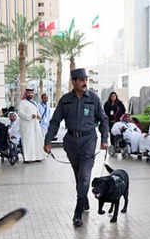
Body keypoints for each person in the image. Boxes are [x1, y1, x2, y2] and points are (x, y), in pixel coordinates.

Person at [44, 68, 109, 227]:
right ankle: (84, 199)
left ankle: (78, 212)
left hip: (88, 140)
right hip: (71, 143)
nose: (84, 82)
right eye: (81, 80)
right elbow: (55, 121)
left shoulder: (93, 99)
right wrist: (48, 141)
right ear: (73, 82)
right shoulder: (65, 100)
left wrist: (104, 139)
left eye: (86, 79)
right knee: (78, 175)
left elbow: (104, 119)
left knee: (85, 176)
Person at [19, 86, 46, 163]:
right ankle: (28, 158)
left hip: (35, 125)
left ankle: (38, 157)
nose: (30, 94)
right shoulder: (22, 103)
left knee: (37, 141)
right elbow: (20, 113)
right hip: (27, 126)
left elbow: (38, 113)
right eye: (29, 93)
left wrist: (38, 116)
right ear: (26, 94)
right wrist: (30, 116)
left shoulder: (34, 103)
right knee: (28, 142)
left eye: (32, 93)